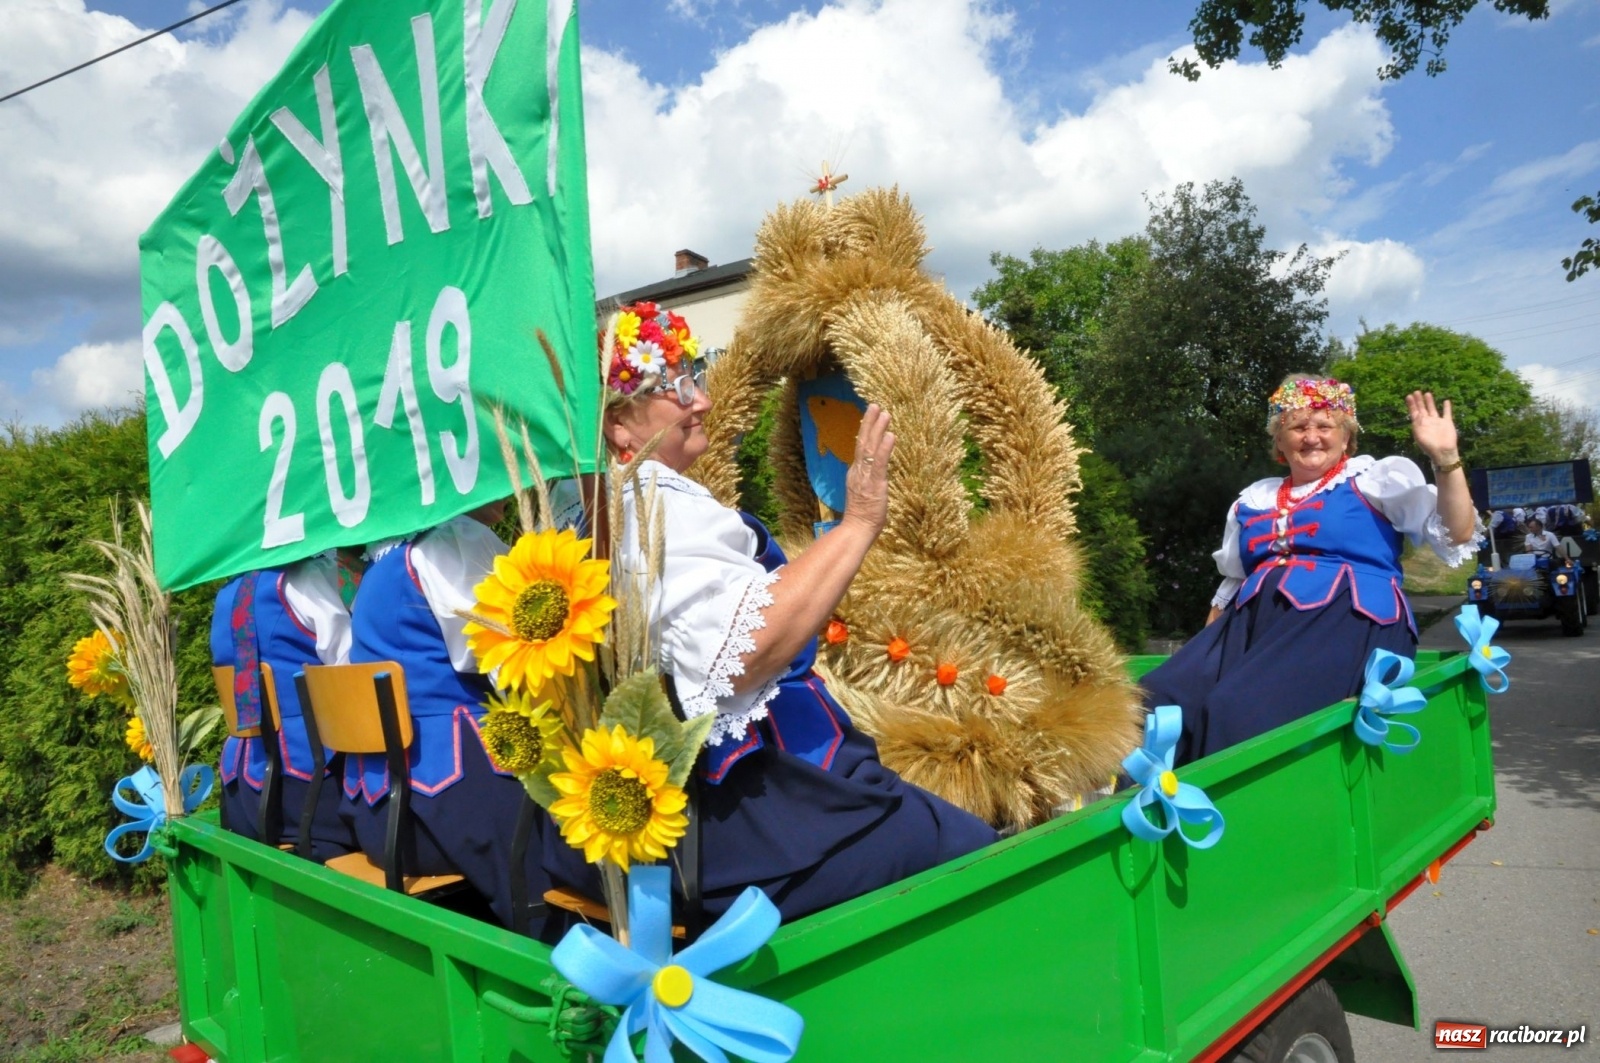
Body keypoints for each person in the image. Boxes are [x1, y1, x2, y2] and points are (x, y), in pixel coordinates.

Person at [541, 302, 998, 925]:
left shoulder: (589, 512)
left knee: (927, 816)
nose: (702, 400)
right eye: (678, 388)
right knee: (969, 854)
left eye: (696, 377)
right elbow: (739, 655)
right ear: (619, 424)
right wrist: (859, 523)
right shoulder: (654, 505)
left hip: (666, 818)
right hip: (734, 827)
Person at [1140, 376, 1480, 765]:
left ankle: (1232, 803)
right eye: (1298, 426)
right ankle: (1137, 797)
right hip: (1255, 625)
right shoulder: (1253, 499)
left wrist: (1446, 458)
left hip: (1347, 619)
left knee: (1235, 707)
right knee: (1157, 695)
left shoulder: (1374, 481)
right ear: (1279, 441)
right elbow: (1231, 585)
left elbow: (1457, 532)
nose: (1312, 437)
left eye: (1324, 426)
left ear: (1346, 438)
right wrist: (1204, 655)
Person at [342, 500, 550, 928]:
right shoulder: (456, 538)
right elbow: (507, 659)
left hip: (380, 816)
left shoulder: (382, 563)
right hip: (452, 807)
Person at [209, 549, 362, 861]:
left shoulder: (227, 592)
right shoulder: (304, 577)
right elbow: (350, 670)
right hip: (309, 789)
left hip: (241, 788)